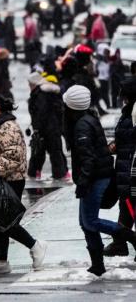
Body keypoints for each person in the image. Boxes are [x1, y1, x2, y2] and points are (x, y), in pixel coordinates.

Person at [62, 85, 136, 276]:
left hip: (95, 178)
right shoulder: (88, 119)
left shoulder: (82, 125)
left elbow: (88, 158)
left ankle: (130, 238)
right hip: (95, 176)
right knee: (85, 222)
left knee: (91, 221)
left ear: (72, 106)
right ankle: (97, 264)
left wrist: (84, 182)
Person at [0, 93, 47, 274]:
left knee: (6, 221)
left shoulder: (8, 127)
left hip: (8, 181)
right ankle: (1, 262)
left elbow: (15, 154)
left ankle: (35, 245)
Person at [103, 76, 136, 258]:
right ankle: (120, 242)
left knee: (130, 203)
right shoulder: (128, 111)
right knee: (127, 204)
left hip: (131, 166)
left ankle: (120, 242)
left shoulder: (134, 112)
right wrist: (116, 144)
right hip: (125, 163)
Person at [27, 72, 68, 180]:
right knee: (55, 151)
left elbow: (41, 112)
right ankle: (61, 173)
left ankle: (35, 173)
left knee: (38, 152)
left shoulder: (40, 94)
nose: (29, 86)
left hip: (45, 128)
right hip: (54, 127)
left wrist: (37, 128)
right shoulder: (49, 92)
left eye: (30, 83)